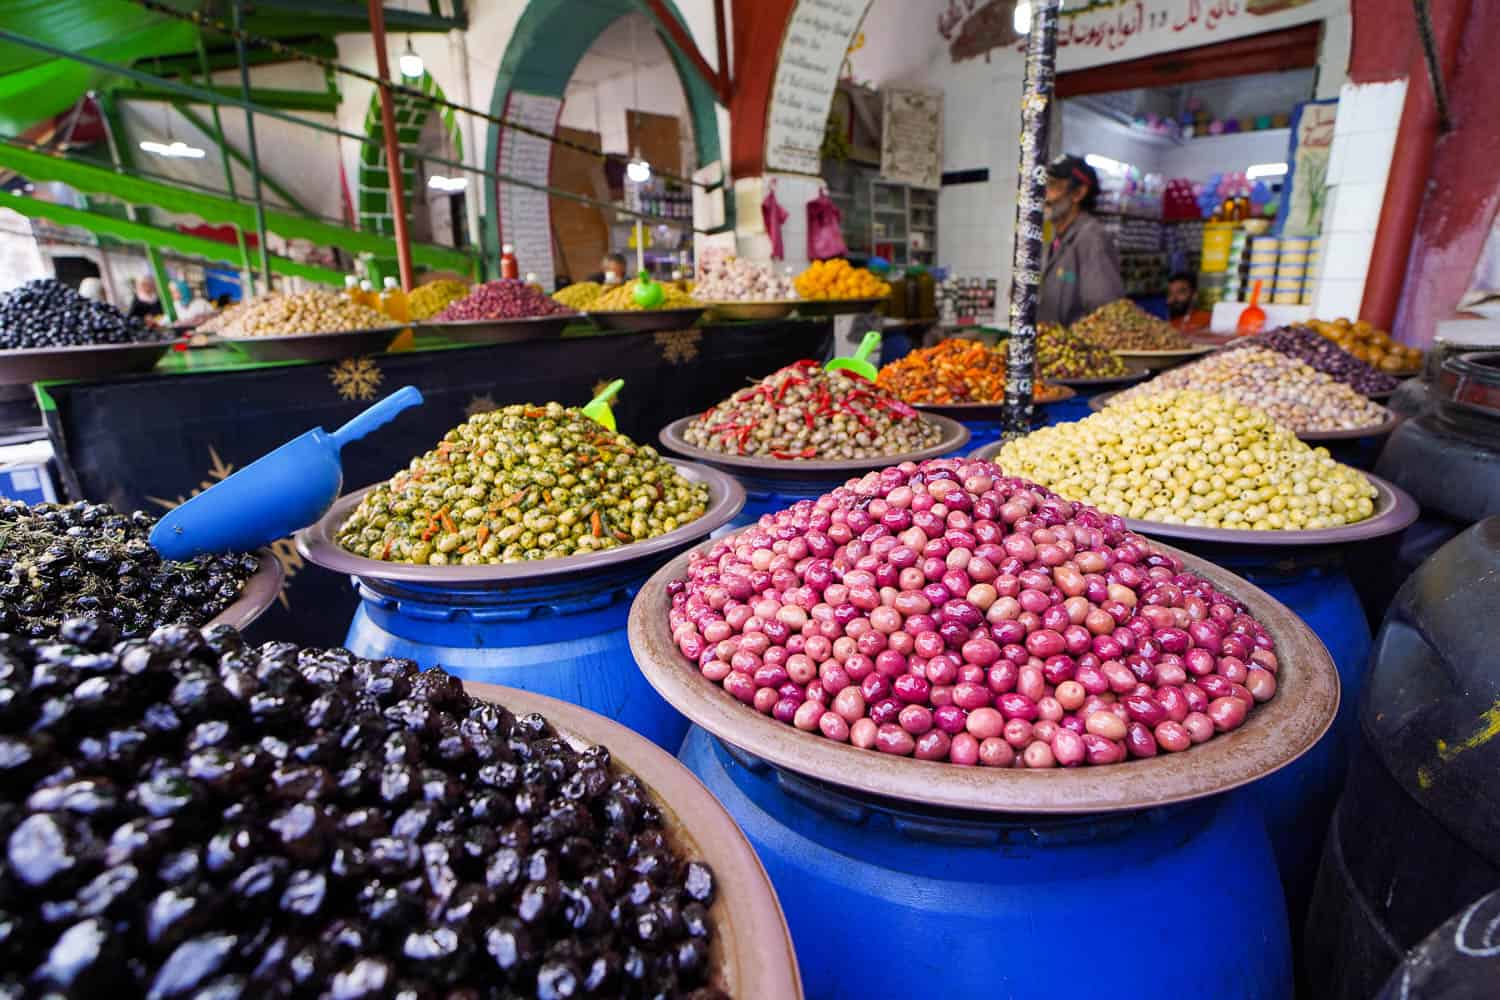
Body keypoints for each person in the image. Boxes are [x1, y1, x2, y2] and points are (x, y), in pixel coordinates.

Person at [1038, 154, 1126, 327]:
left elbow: (1105, 313)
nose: (1044, 196)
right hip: (1054, 348)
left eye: (1053, 186)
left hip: (1077, 350)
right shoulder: (1058, 239)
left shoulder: (1091, 238)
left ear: (1078, 193)